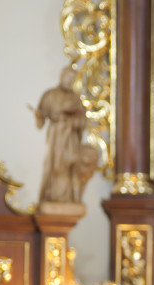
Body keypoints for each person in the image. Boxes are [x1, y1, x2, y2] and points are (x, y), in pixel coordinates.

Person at [34, 66, 99, 204]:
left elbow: (82, 121)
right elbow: (41, 119)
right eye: (67, 77)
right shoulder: (50, 95)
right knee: (55, 167)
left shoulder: (75, 99)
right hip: (56, 136)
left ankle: (68, 198)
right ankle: (51, 195)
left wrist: (73, 121)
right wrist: (39, 116)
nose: (69, 81)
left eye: (72, 79)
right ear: (61, 76)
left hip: (70, 138)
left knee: (69, 165)